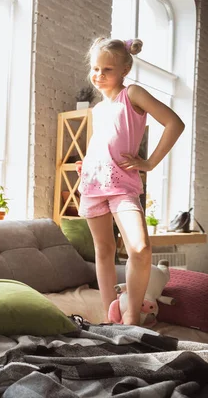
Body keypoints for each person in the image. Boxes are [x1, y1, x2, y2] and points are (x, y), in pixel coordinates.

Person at [78, 37, 185, 325]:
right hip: (92, 183)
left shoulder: (133, 94)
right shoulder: (98, 109)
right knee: (103, 250)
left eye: (107, 70)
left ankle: (132, 315)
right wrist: (86, 163)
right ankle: (111, 316)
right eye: (95, 69)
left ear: (125, 69)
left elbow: (175, 123)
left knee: (140, 248)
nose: (99, 75)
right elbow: (102, 144)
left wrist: (150, 163)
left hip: (122, 184)